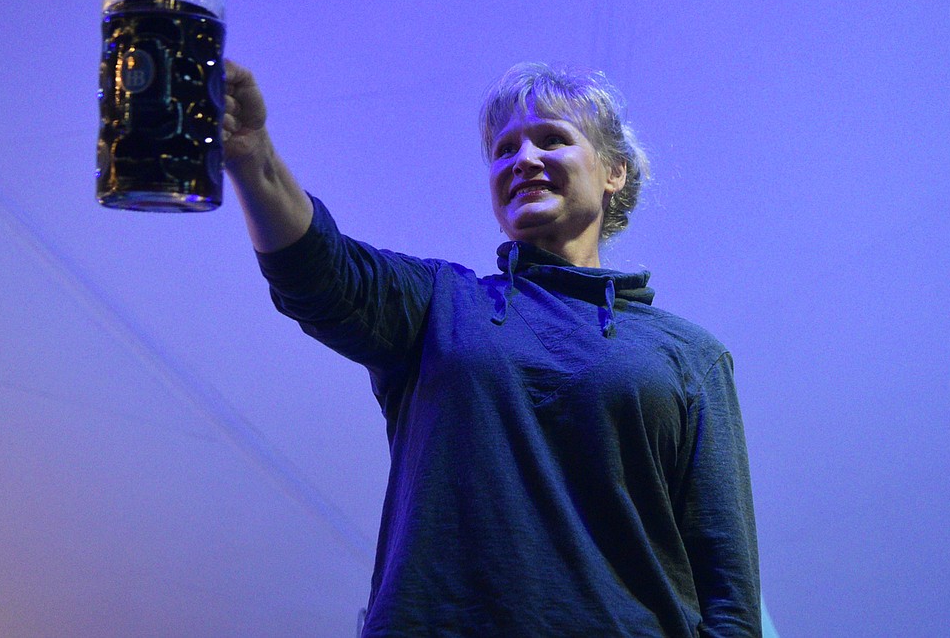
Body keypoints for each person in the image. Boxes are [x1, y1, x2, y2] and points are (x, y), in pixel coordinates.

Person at [222, 59, 762, 636]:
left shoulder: (690, 356)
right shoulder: (439, 305)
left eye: (553, 139)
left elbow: (728, 594)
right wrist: (253, 158)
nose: (524, 159)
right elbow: (319, 271)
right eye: (505, 150)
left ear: (615, 172)